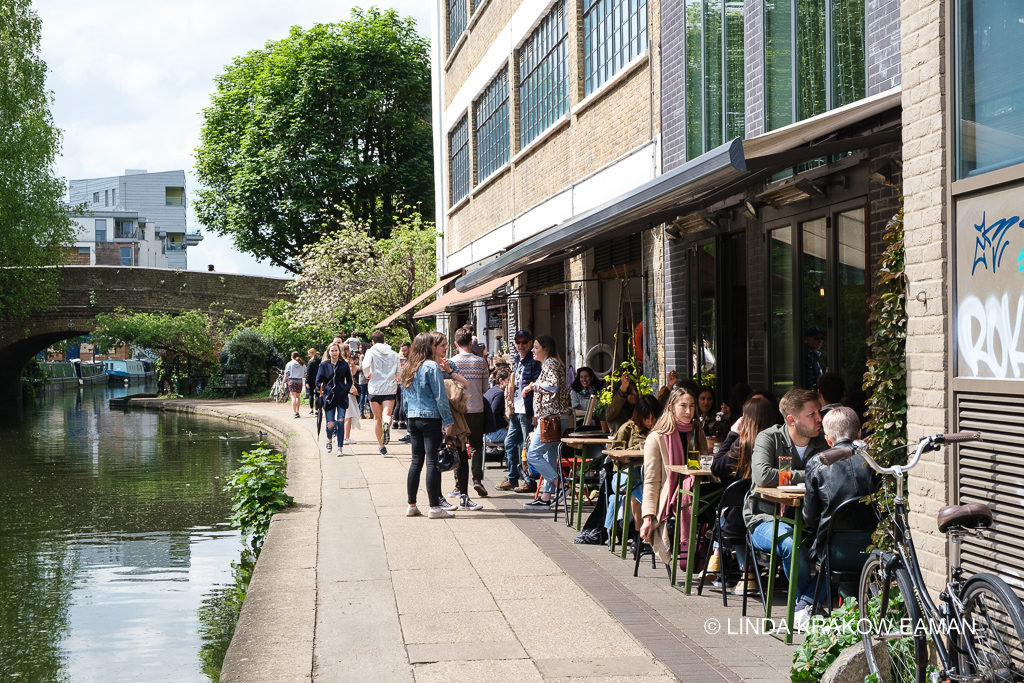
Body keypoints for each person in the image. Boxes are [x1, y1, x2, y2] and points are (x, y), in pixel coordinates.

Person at [743, 387, 829, 629]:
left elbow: (832, 473)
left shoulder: (822, 442)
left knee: (839, 549)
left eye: (818, 413)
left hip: (809, 519)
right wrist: (810, 474)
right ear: (792, 420)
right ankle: (805, 608)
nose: (819, 419)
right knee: (793, 544)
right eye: (812, 414)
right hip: (764, 518)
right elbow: (762, 476)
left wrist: (791, 476)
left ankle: (804, 604)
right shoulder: (769, 438)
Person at [803, 407, 878, 596]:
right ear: (859, 433)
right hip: (874, 549)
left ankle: (808, 602)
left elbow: (810, 519)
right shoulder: (875, 461)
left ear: (828, 440)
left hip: (835, 552)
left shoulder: (817, 463)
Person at [711, 395, 778, 594]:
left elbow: (716, 467)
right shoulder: (778, 442)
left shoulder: (743, 443)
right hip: (772, 508)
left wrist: (732, 433)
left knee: (725, 510)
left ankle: (743, 571)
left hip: (742, 517)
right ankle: (721, 560)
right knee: (730, 511)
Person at [639, 385, 708, 565]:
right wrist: (647, 517)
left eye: (692, 406)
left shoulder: (696, 430)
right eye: (683, 406)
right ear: (671, 407)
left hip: (697, 491)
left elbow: (704, 463)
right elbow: (651, 481)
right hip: (671, 498)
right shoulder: (657, 437)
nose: (688, 411)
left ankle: (713, 553)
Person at [401, 331, 456, 519]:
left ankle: (411, 504)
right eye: (433, 344)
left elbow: (405, 398)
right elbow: (440, 397)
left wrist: (408, 417)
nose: (435, 347)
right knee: (431, 461)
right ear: (428, 346)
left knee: (416, 461)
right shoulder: (431, 367)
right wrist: (448, 420)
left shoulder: (408, 367)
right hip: (430, 417)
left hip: (413, 418)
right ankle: (434, 506)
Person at [521, 335, 572, 508]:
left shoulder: (550, 363)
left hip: (552, 418)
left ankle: (560, 485)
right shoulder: (551, 364)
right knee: (549, 456)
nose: (533, 350)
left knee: (533, 453)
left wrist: (533, 386)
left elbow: (553, 386)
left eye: (536, 347)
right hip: (554, 417)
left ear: (545, 349)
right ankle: (545, 497)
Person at [605, 394, 661, 539]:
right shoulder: (628, 428)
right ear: (639, 415)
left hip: (648, 476)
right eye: (646, 418)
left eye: (653, 419)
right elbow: (615, 454)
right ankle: (646, 528)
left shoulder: (659, 430)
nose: (650, 422)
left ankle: (639, 535)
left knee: (638, 488)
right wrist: (636, 449)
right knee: (636, 478)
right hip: (623, 476)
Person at [498, 329, 541, 493]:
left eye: (524, 342)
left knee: (527, 445)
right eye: (518, 342)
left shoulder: (534, 362)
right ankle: (512, 478)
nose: (521, 345)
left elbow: (536, 387)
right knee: (509, 443)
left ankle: (530, 481)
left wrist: (535, 412)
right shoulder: (517, 361)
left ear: (530, 343)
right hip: (516, 408)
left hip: (526, 410)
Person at [450, 327, 490, 499]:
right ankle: (477, 480)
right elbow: (485, 388)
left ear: (456, 343)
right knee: (476, 446)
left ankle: (459, 485)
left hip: (459, 411)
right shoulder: (481, 362)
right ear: (471, 342)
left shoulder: (451, 363)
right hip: (477, 409)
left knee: (458, 447)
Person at [362, 331, 400, 456]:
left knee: (376, 418)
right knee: (387, 414)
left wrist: (368, 374)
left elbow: (365, 365)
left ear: (372, 342)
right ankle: (387, 424)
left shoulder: (370, 352)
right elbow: (399, 372)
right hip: (389, 388)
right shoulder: (394, 354)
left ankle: (381, 446)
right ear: (384, 340)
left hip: (374, 388)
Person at [315, 343, 353, 453]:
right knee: (330, 424)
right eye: (332, 351)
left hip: (341, 397)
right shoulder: (324, 365)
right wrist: (324, 389)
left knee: (340, 422)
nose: (334, 353)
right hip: (329, 398)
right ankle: (329, 440)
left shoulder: (344, 364)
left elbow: (349, 381)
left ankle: (340, 447)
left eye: (336, 350)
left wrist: (345, 390)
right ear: (329, 352)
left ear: (339, 352)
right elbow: (318, 381)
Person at [483, 368, 510, 445]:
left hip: (485, 433)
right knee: (517, 435)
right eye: (509, 380)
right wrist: (506, 424)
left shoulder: (492, 390)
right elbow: (494, 413)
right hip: (491, 435)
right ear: (501, 380)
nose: (512, 383)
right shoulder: (500, 393)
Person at [341, 347, 361, 445]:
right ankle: (346, 437)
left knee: (342, 416)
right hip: (348, 392)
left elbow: (354, 372)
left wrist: (352, 364)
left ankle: (339, 436)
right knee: (348, 417)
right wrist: (354, 390)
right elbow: (348, 378)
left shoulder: (340, 362)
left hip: (340, 392)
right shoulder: (345, 364)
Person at [393, 341, 411, 441]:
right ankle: (409, 433)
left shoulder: (411, 360)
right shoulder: (405, 360)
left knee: (405, 408)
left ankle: (410, 433)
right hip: (403, 386)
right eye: (402, 351)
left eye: (405, 351)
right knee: (403, 407)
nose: (403, 353)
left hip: (408, 388)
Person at [281, 351, 306, 418]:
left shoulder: (289, 364)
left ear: (292, 356)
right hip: (300, 382)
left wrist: (282, 383)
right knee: (298, 397)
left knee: (293, 397)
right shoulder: (302, 364)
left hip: (292, 381)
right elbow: (305, 375)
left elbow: (286, 375)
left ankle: (294, 413)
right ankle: (297, 412)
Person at [304, 348, 321, 415]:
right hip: (318, 380)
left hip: (311, 381)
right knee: (317, 395)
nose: (308, 355)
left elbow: (308, 373)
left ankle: (311, 409)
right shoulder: (319, 361)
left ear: (312, 353)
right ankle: (316, 410)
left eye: (309, 353)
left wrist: (307, 382)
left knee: (311, 394)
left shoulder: (311, 362)